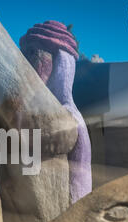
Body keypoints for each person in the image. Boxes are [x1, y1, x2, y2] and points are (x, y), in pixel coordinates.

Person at [20, 21, 92, 203]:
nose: (29, 64)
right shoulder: (32, 110)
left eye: (33, 54)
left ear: (60, 63)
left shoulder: (69, 115)